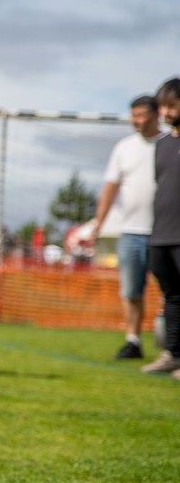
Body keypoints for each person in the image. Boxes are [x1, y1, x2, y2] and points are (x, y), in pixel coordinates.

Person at [93, 95, 165, 360]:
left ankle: (172, 345)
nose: (135, 120)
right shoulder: (124, 148)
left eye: (141, 115)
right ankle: (133, 340)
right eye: (133, 115)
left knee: (172, 292)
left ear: (156, 115)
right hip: (131, 232)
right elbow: (111, 188)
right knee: (132, 291)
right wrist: (98, 224)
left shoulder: (170, 144)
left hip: (166, 232)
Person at [143, 77, 180, 377]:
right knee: (172, 296)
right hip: (161, 234)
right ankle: (173, 354)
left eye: (171, 106)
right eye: (162, 107)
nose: (165, 112)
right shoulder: (162, 145)